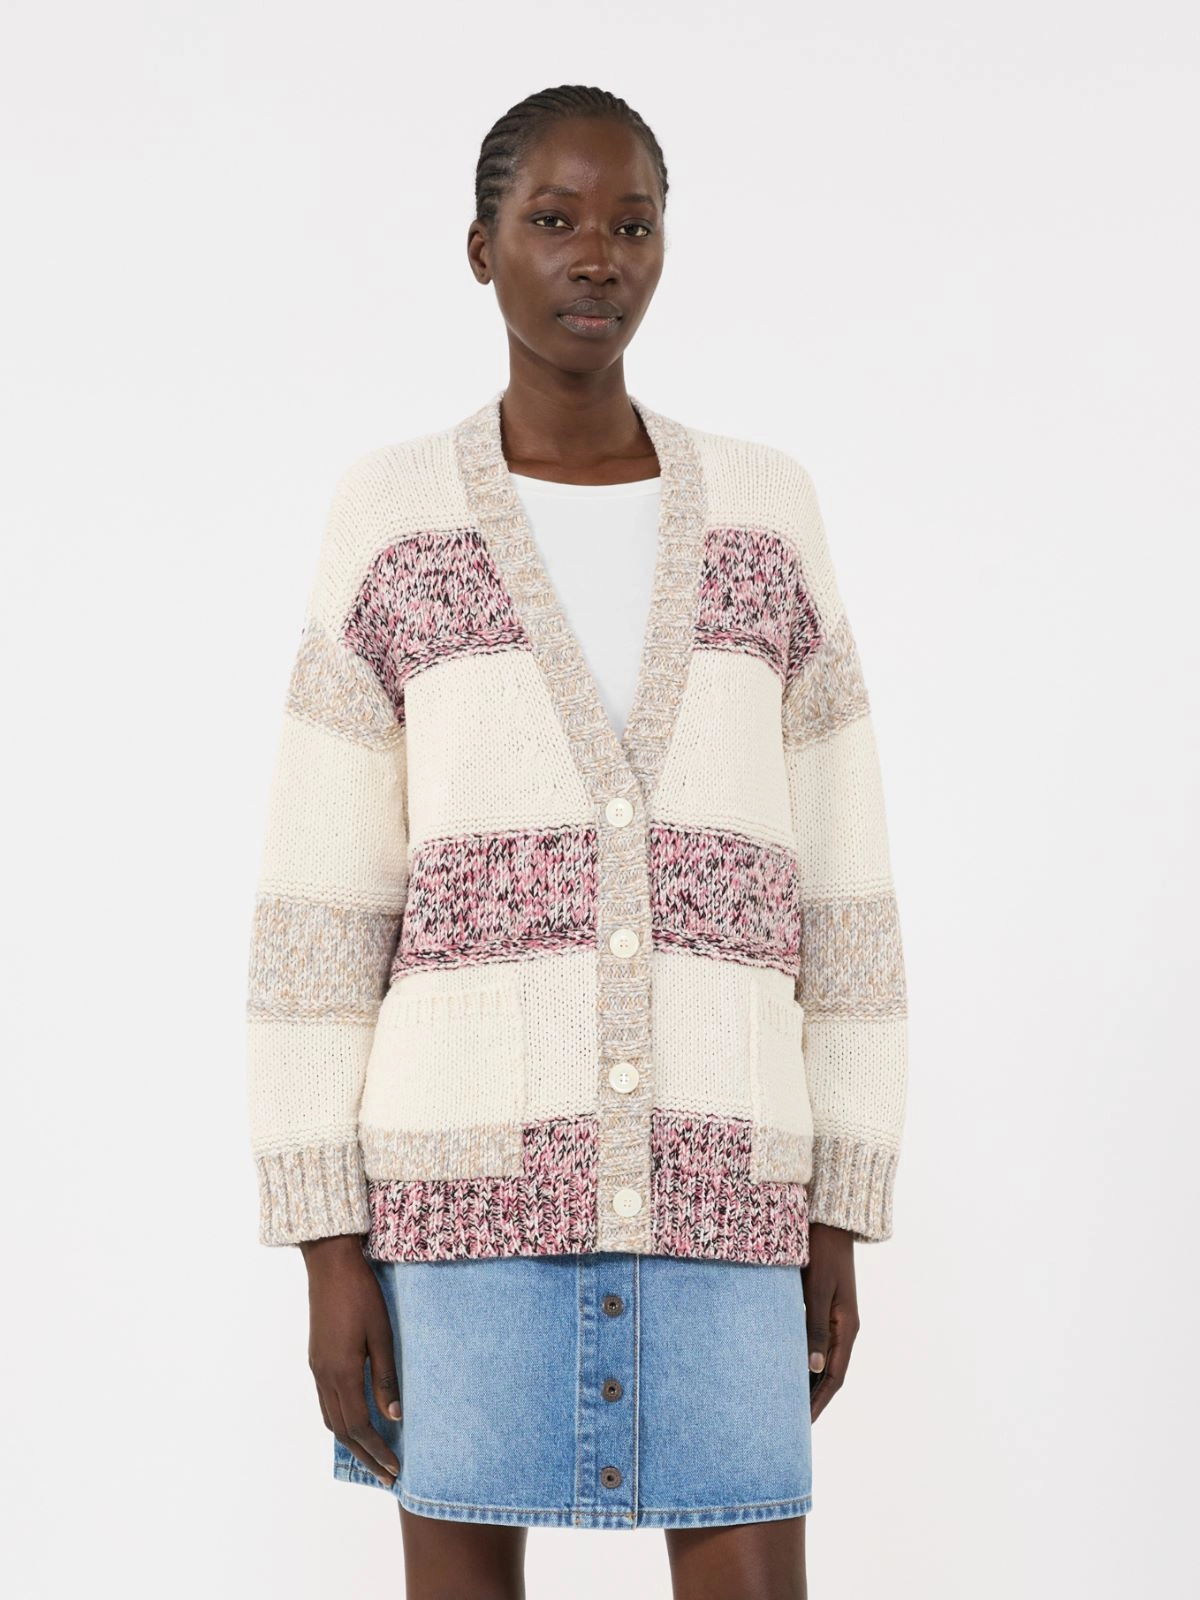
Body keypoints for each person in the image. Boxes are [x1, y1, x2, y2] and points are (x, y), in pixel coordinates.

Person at [245, 83, 909, 1600]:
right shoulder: (391, 515)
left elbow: (845, 890)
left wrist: (838, 1207)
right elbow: (319, 909)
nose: (597, 256)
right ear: (481, 247)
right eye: (553, 220)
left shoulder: (766, 512)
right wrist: (328, 1249)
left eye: (631, 223)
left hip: (728, 1186)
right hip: (456, 1206)